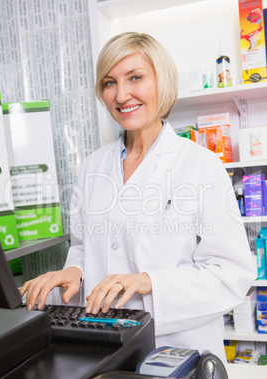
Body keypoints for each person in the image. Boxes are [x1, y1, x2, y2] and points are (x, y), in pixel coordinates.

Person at [20, 32, 255, 362]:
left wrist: (149, 282)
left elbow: (231, 274)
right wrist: (74, 272)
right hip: (100, 344)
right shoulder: (92, 167)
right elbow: (84, 245)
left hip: (176, 350)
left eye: (135, 77)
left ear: (162, 81)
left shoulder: (202, 166)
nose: (121, 94)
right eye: (109, 82)